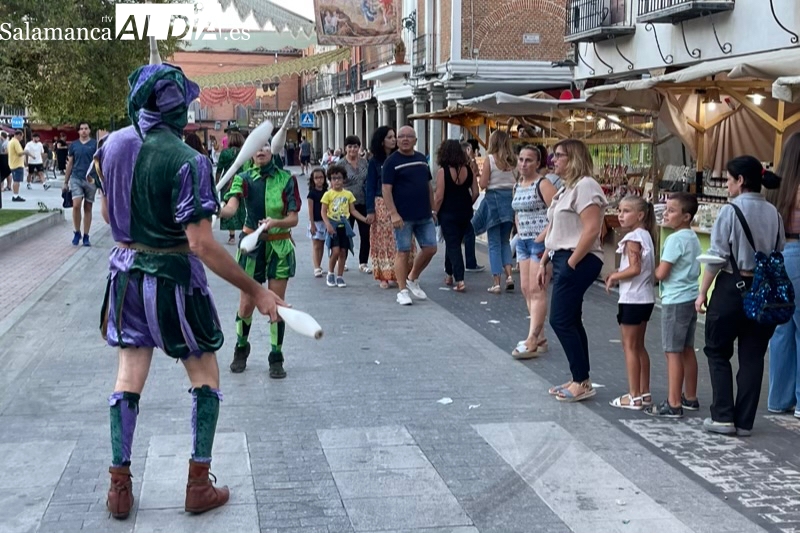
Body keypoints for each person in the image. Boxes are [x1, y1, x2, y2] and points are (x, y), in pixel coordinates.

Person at [94, 46, 286, 520]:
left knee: (128, 377)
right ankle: (197, 485)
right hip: (174, 281)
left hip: (126, 276)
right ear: (176, 106)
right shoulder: (189, 159)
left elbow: (107, 215)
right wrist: (258, 290)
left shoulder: (112, 146)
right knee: (205, 376)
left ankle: (119, 487)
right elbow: (201, 243)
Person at [697, 155, 783, 436]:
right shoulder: (774, 213)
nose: (727, 187)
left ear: (741, 181)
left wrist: (702, 292)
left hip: (731, 287)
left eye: (729, 181)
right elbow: (778, 250)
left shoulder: (731, 211)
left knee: (717, 349)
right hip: (763, 290)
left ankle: (722, 415)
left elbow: (718, 256)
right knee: (753, 355)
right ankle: (744, 421)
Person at [220, 140, 300, 378]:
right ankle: (241, 347)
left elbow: (294, 218)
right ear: (251, 153)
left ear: (272, 150)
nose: (261, 150)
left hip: (280, 247)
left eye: (266, 146)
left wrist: (276, 222)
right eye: (256, 147)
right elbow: (231, 208)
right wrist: (216, 209)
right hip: (250, 249)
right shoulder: (242, 178)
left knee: (276, 304)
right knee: (246, 305)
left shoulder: (286, 179)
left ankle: (276, 355)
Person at [537, 139, 607, 403]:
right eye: (554, 156)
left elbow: (591, 230)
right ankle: (580, 378)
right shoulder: (566, 188)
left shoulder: (586, 186)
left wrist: (570, 263)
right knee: (571, 319)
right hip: (563, 256)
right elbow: (555, 230)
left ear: (574, 158)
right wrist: (545, 260)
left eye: (560, 156)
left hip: (579, 257)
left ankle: (581, 380)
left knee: (560, 319)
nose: (554, 161)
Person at [646, 192, 701, 418]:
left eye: (671, 210)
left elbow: (662, 272)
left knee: (672, 351)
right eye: (665, 209)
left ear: (686, 216)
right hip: (689, 296)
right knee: (687, 348)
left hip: (674, 300)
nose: (666, 214)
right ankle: (690, 396)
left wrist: (648, 272)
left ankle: (674, 402)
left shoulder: (674, 240)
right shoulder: (692, 238)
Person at [605, 196, 656, 410]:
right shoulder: (646, 236)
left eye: (626, 211)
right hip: (645, 298)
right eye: (619, 210)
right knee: (639, 346)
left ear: (640, 215)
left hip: (632, 298)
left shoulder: (633, 238)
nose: (620, 215)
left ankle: (633, 394)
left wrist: (615, 276)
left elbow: (635, 268)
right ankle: (643, 392)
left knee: (630, 348)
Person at [382, 125, 438, 306]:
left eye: (408, 136)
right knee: (403, 252)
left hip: (424, 214)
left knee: (431, 248)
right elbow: (386, 189)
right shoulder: (391, 162)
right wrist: (393, 213)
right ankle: (402, 291)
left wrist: (433, 209)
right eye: (401, 136)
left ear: (415, 140)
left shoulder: (422, 159)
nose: (404, 139)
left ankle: (412, 277)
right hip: (403, 217)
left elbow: (428, 185)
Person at [511, 145, 557, 358]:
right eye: (521, 159)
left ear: (538, 163)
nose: (523, 164)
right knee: (525, 288)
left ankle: (533, 337)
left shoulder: (544, 184)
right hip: (523, 241)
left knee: (537, 289)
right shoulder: (517, 185)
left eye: (529, 160)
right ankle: (539, 336)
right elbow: (517, 212)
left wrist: (543, 237)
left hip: (540, 242)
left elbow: (558, 213)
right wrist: (519, 231)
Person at [768, 133, 800, 418]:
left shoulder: (777, 189)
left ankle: (779, 398)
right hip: (799, 255)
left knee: (782, 330)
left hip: (779, 257)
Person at [365, 126, 414, 289]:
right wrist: (370, 210)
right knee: (383, 240)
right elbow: (370, 186)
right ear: (381, 141)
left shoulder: (400, 157)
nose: (394, 140)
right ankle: (384, 276)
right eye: (390, 137)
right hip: (381, 203)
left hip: (400, 202)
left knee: (400, 239)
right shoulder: (374, 161)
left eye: (395, 137)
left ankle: (400, 273)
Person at [433, 139, 478, 293]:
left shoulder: (443, 171)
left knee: (453, 245)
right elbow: (476, 192)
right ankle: (449, 274)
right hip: (464, 212)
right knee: (454, 242)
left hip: (448, 212)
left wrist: (434, 212)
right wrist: (468, 203)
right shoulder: (468, 170)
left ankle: (460, 280)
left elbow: (439, 196)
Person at [479, 130, 517, 293]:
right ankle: (509, 276)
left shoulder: (490, 160)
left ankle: (496, 282)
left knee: (493, 243)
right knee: (505, 241)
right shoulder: (514, 161)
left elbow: (483, 184)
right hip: (510, 202)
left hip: (493, 201)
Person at [322, 164, 369, 288]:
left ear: (344, 179)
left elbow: (352, 210)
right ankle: (331, 273)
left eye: (339, 178)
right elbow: (323, 211)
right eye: (333, 178)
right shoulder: (328, 195)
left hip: (345, 225)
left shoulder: (348, 194)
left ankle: (340, 276)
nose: (336, 181)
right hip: (333, 225)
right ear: (330, 180)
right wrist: (327, 225)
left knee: (343, 251)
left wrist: (364, 219)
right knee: (335, 251)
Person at [64, 122, 98, 246]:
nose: (83, 131)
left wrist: (101, 182)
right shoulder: (74, 145)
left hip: (90, 179)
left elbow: (99, 164)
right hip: (76, 178)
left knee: (88, 207)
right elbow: (70, 164)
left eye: (86, 128)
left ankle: (86, 236)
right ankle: (77, 231)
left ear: (89, 130)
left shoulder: (95, 145)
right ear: (78, 131)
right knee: (76, 205)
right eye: (81, 129)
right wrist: (65, 182)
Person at [341, 135, 371, 273]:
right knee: (346, 233)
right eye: (350, 146)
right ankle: (343, 261)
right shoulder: (340, 164)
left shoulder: (365, 162)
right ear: (345, 148)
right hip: (345, 204)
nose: (353, 149)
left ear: (359, 148)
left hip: (363, 201)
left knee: (365, 233)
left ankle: (363, 262)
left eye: (355, 146)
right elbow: (334, 183)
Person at [216, 130, 246, 245]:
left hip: (226, 182)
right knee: (242, 207)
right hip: (242, 180)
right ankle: (244, 231)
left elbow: (219, 170)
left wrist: (217, 183)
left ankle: (232, 235)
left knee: (228, 205)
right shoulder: (244, 152)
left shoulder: (225, 153)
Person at [460, 141, 484, 272]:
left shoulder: (448, 168)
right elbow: (476, 188)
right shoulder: (467, 168)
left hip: (455, 205)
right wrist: (469, 203)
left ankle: (450, 267)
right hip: (466, 203)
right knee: (469, 232)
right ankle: (470, 262)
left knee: (454, 236)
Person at [307, 167, 328, 277]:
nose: (319, 180)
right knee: (316, 245)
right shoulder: (312, 193)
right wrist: (312, 224)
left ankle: (319, 265)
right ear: (313, 180)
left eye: (321, 177)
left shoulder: (326, 192)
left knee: (322, 244)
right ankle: (316, 267)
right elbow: (310, 210)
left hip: (324, 221)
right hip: (315, 221)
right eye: (316, 178)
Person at [8, 130, 26, 202]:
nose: (22, 138)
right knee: (16, 180)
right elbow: (19, 153)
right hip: (17, 164)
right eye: (22, 136)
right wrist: (26, 152)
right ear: (18, 135)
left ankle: (16, 195)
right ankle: (15, 196)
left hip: (13, 163)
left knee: (16, 180)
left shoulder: (10, 141)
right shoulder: (15, 142)